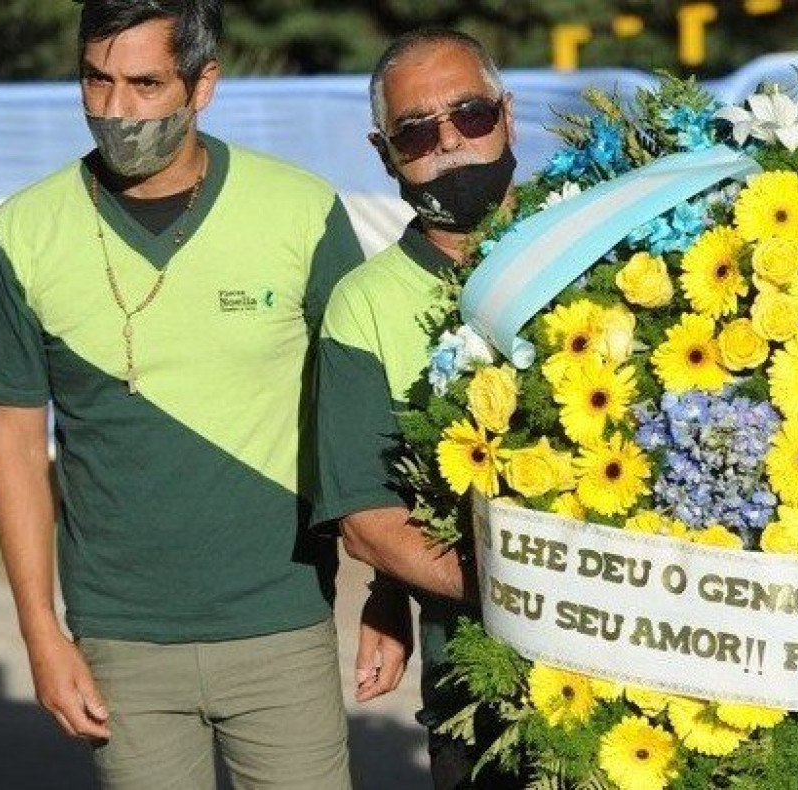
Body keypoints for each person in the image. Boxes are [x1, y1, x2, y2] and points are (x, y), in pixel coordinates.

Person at [0, 1, 363, 787]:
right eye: (96, 81)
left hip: (283, 623)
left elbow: (358, 419)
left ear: (203, 85)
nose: (115, 109)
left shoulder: (301, 211)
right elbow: (15, 442)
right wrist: (41, 633)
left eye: (144, 84)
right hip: (119, 639)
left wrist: (389, 599)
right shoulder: (24, 230)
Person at [313, 29, 520, 790]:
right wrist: (544, 598)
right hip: (480, 681)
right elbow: (369, 524)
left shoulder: (598, 248)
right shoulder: (361, 307)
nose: (450, 143)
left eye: (470, 115)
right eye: (416, 131)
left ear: (508, 115)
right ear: (384, 153)